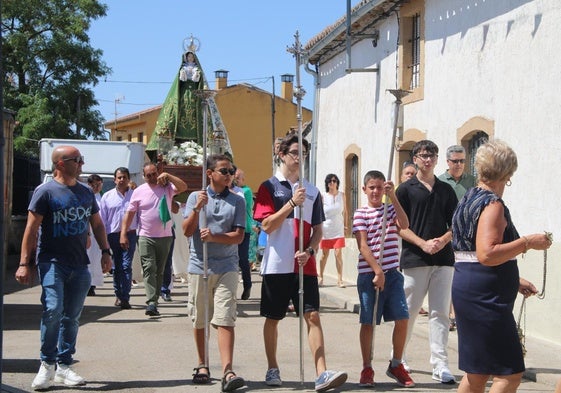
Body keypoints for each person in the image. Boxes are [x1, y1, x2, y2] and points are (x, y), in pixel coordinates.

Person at [451, 140, 552, 393]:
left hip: (469, 286)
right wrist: (528, 242)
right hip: (486, 297)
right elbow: (487, 253)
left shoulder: (468, 198)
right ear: (507, 175)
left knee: (477, 372)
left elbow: (472, 253)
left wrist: (513, 280)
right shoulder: (492, 205)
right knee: (509, 373)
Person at [253, 133, 347, 391]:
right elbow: (266, 225)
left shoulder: (313, 190)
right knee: (273, 317)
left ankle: (321, 372)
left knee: (313, 315)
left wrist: (310, 249)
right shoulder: (269, 187)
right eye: (294, 153)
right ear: (282, 154)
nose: (299, 158)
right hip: (277, 264)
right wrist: (291, 204)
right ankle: (273, 368)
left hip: (304, 264)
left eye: (303, 154)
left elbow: (318, 229)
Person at [15, 146, 112, 390]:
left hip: (79, 264)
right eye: (76, 160)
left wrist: (105, 251)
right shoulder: (45, 192)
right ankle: (47, 364)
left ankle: (64, 365)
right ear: (60, 164)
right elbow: (30, 228)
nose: (81, 163)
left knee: (72, 317)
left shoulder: (86, 192)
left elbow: (98, 225)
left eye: (81, 159)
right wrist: (24, 264)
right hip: (52, 263)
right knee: (53, 310)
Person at [396, 140, 458, 384]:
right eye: (423, 155)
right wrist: (423, 244)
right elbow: (400, 227)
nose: (428, 159)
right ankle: (398, 357)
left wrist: (442, 241)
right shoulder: (405, 189)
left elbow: (456, 224)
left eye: (432, 155)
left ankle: (440, 363)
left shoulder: (446, 190)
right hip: (415, 258)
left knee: (440, 313)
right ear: (415, 159)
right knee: (409, 312)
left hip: (443, 260)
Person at [183, 154, 246, 391]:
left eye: (231, 171)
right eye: (224, 171)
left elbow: (238, 236)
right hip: (200, 265)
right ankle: (202, 363)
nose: (229, 175)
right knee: (199, 317)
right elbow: (187, 231)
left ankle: (228, 370)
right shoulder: (194, 197)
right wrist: (197, 209)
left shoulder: (237, 201)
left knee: (225, 317)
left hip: (227, 266)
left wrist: (214, 237)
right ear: (210, 174)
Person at [353, 170, 414, 387]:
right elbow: (363, 245)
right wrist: (377, 271)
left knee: (402, 318)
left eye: (379, 188)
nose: (376, 192)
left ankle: (396, 364)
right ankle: (366, 368)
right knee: (368, 322)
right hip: (370, 275)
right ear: (364, 189)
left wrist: (394, 197)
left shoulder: (389, 210)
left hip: (393, 274)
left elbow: (405, 225)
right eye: (372, 187)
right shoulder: (360, 213)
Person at [120, 162, 187, 316]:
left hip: (165, 236)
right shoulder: (138, 192)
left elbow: (183, 187)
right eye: (148, 175)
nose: (151, 177)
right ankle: (151, 302)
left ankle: (155, 299)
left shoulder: (167, 187)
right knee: (149, 268)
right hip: (145, 236)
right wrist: (123, 233)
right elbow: (129, 214)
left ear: (158, 173)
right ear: (144, 177)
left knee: (160, 270)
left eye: (154, 174)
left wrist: (168, 176)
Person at [438, 144, 476, 331]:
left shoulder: (472, 181)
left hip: (469, 235)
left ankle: (462, 313)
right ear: (447, 162)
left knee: (466, 274)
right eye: (455, 161)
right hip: (447, 235)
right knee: (452, 275)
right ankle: (452, 314)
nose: (459, 165)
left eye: (462, 161)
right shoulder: (440, 182)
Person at [99, 167, 137, 309]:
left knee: (126, 266)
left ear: (128, 179)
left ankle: (125, 297)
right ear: (115, 179)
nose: (122, 180)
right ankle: (118, 293)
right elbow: (102, 221)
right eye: (119, 177)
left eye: (124, 177)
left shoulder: (135, 195)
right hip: (112, 235)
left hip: (130, 234)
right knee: (116, 266)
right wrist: (103, 241)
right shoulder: (107, 197)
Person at [318, 174, 347, 287]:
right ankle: (321, 276)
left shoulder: (342, 195)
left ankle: (340, 279)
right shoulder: (323, 196)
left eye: (334, 181)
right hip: (326, 229)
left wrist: (346, 226)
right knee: (325, 255)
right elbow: (319, 212)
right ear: (327, 183)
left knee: (338, 253)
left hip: (338, 229)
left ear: (337, 183)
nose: (332, 183)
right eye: (329, 181)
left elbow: (346, 211)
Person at [234, 168, 253, 300]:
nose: (235, 181)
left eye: (237, 178)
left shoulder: (245, 191)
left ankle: (247, 284)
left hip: (243, 229)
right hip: (231, 229)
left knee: (242, 259)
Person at [86, 174, 104, 296]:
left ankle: (92, 284)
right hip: (87, 234)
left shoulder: (103, 198)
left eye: (98, 185)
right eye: (93, 185)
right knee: (86, 259)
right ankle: (86, 284)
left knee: (96, 260)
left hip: (98, 234)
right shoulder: (86, 197)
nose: (96, 187)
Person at [160, 201, 179, 302]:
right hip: (148, 231)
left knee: (167, 262)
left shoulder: (168, 192)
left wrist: (169, 197)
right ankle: (153, 292)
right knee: (151, 264)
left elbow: (176, 209)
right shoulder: (144, 191)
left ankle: (165, 290)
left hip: (167, 231)